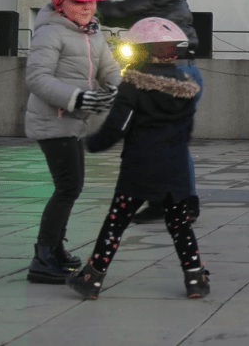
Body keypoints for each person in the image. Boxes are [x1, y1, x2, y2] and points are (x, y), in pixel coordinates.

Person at [69, 17, 208, 300]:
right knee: (179, 223)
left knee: (116, 221)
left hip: (139, 166)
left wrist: (92, 144)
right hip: (175, 167)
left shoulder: (133, 84)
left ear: (143, 50)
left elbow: (117, 126)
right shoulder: (185, 85)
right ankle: (196, 277)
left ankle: (92, 278)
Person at [24, 0, 121, 284]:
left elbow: (109, 67)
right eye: (79, 1)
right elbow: (37, 78)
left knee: (70, 187)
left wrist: (117, 88)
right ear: (59, 0)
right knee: (68, 187)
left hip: (73, 122)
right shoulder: (51, 32)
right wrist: (77, 98)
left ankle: (54, 249)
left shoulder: (91, 33)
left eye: (91, 1)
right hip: (53, 122)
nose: (86, 7)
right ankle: (44, 257)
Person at [97, 0, 202, 224]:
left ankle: (172, 202)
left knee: (148, 136)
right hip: (187, 71)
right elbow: (129, 19)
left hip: (166, 72)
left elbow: (116, 11)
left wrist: (84, 2)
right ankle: (176, 202)